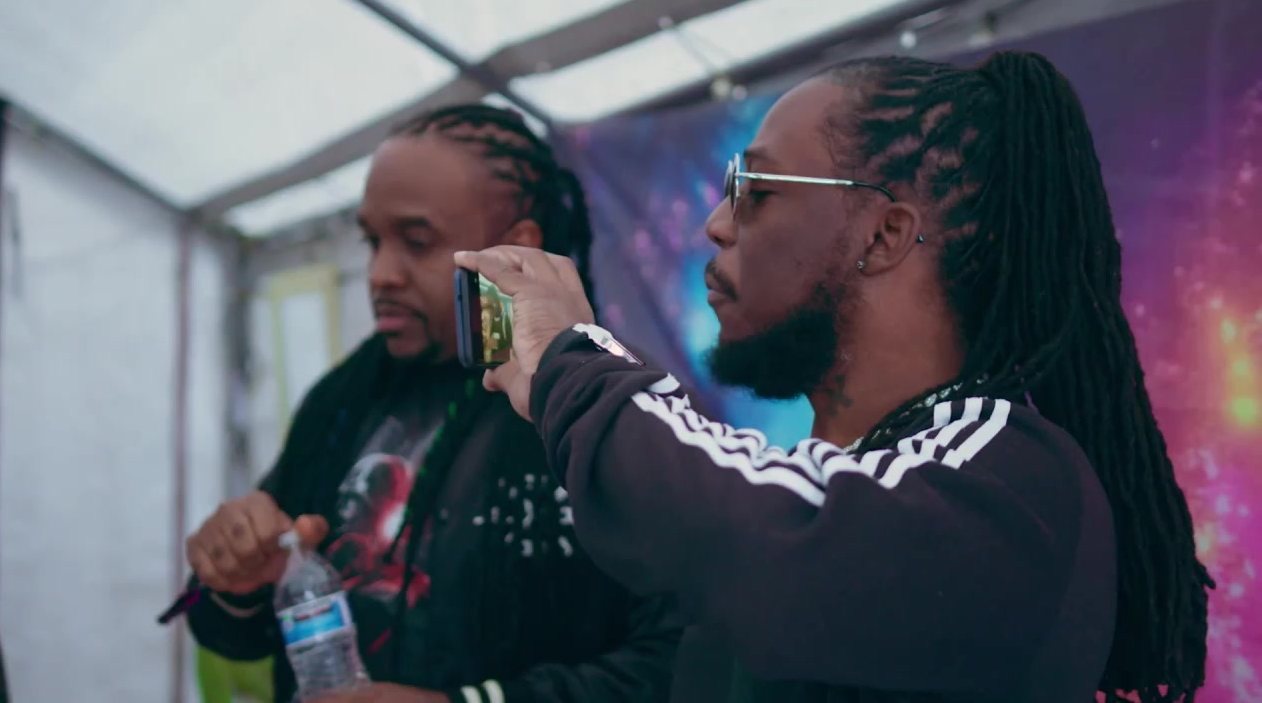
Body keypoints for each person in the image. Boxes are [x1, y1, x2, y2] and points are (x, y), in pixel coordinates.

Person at [455, 51, 1213, 703]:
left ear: (883, 236)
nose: (716, 224)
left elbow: (755, 539)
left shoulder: (1011, 473)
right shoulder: (851, 474)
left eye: (754, 189)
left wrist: (573, 360)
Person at [177, 104, 681, 703]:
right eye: (372, 241)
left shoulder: (603, 406)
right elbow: (238, 634)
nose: (380, 273)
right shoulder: (343, 399)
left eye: (417, 242)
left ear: (516, 247)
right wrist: (238, 583)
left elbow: (681, 664)